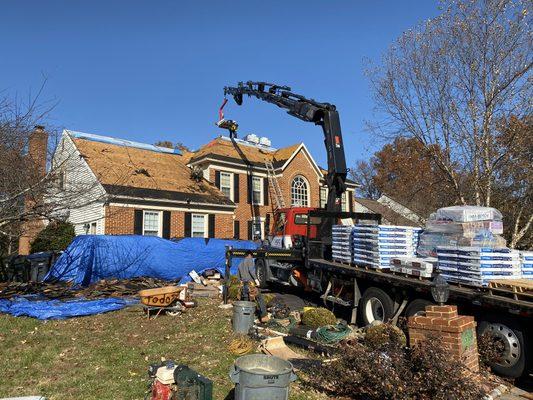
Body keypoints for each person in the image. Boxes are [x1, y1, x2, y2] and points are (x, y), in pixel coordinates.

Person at [237, 250, 267, 320]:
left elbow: (238, 277)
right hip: (251, 285)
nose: (252, 258)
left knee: (246, 302)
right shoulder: (249, 260)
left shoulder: (240, 264)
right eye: (252, 256)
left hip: (244, 285)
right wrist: (256, 280)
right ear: (250, 255)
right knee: (259, 298)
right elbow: (251, 270)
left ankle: (247, 318)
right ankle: (264, 316)